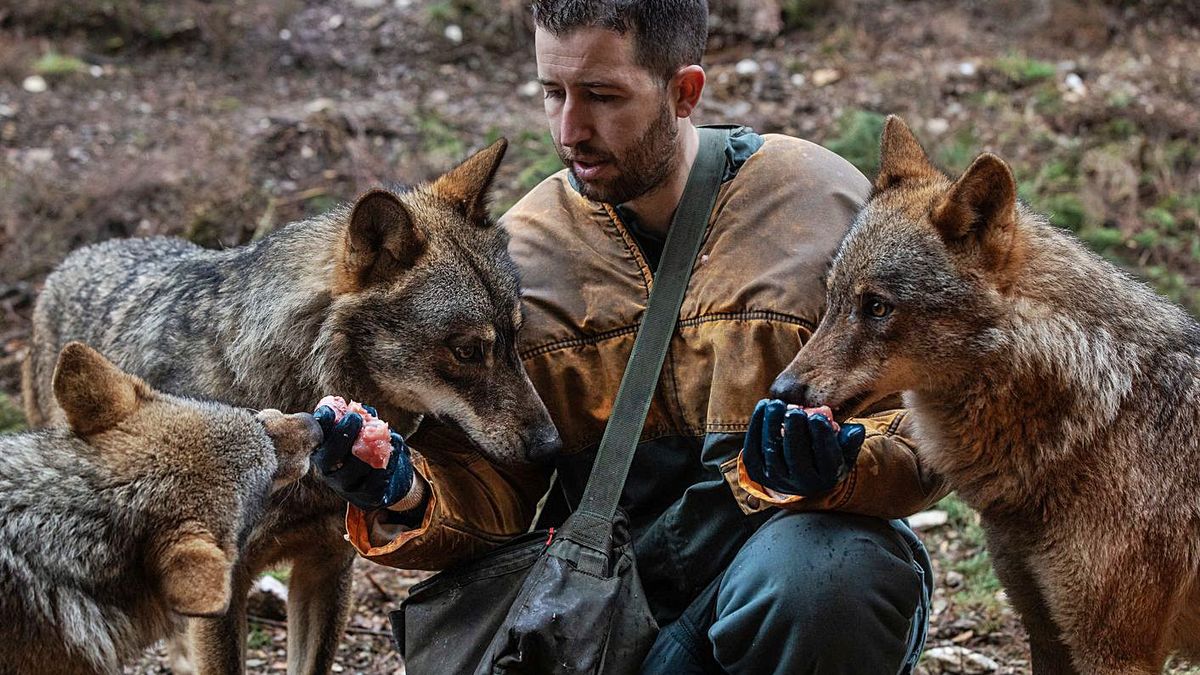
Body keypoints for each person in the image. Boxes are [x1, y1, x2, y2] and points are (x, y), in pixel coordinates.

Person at [314, 1, 948, 672]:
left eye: (602, 96)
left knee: (829, 573)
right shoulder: (521, 257)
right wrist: (404, 491)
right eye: (552, 93)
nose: (570, 129)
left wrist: (843, 468)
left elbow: (921, 427)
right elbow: (490, 479)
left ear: (684, 91)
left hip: (784, 578)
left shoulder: (820, 208)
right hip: (613, 610)